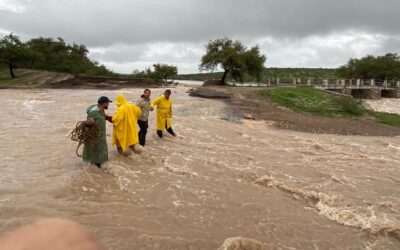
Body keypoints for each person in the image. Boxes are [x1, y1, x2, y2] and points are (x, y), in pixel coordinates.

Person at [83, 96, 112, 168]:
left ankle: (97, 172)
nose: (108, 105)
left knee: (99, 157)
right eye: (108, 103)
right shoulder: (93, 112)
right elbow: (87, 125)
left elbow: (104, 117)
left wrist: (106, 117)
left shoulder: (101, 110)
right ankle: (94, 172)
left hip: (100, 138)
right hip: (94, 139)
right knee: (94, 159)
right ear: (104, 103)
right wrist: (87, 123)